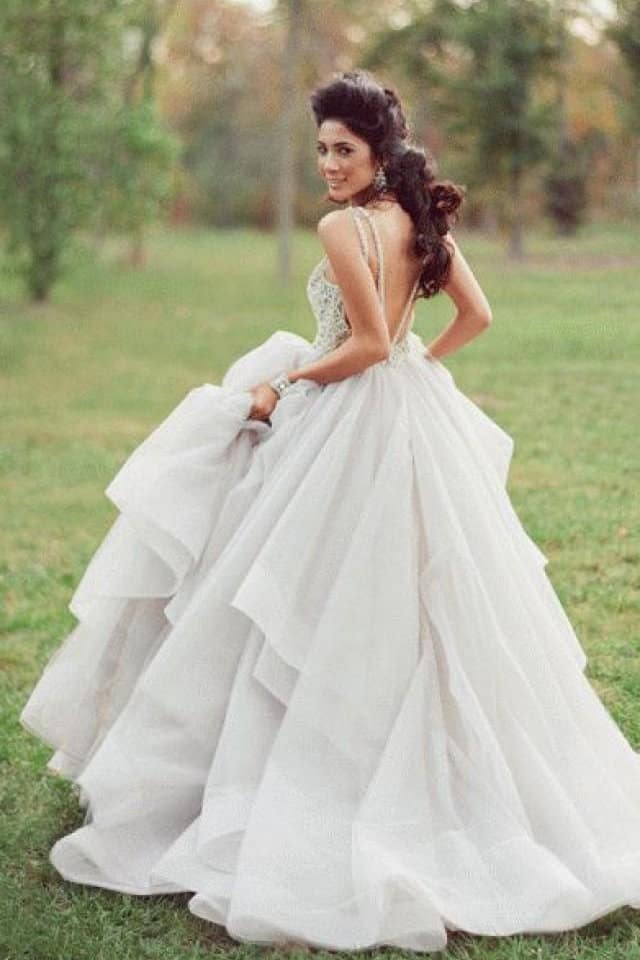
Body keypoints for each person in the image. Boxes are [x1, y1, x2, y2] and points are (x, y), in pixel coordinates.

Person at [19, 69, 640, 953]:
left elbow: (368, 344)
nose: (328, 165)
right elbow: (472, 317)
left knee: (293, 591)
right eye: (320, 150)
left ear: (379, 150)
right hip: (410, 414)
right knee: (403, 595)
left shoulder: (343, 227)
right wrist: (423, 368)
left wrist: (285, 382)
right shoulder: (418, 216)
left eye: (343, 150)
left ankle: (295, 773)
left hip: (350, 416)